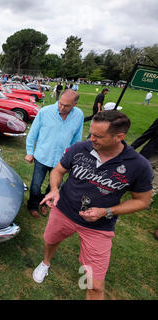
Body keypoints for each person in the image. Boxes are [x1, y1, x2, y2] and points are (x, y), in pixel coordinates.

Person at [34, 110, 153, 300]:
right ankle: (46, 262)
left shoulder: (138, 165)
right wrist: (54, 189)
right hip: (63, 211)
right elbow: (58, 170)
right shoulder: (80, 148)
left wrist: (107, 211)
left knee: (95, 285)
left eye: (98, 136)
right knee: (50, 239)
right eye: (91, 133)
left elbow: (143, 201)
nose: (91, 139)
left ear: (119, 137)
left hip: (99, 226)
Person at [25, 89, 84, 219]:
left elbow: (77, 139)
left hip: (62, 159)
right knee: (36, 185)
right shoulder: (45, 112)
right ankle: (33, 205)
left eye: (66, 106)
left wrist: (73, 158)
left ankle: (45, 203)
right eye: (60, 103)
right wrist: (30, 152)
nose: (62, 107)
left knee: (55, 185)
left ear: (74, 104)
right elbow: (32, 134)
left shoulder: (79, 115)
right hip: (42, 156)